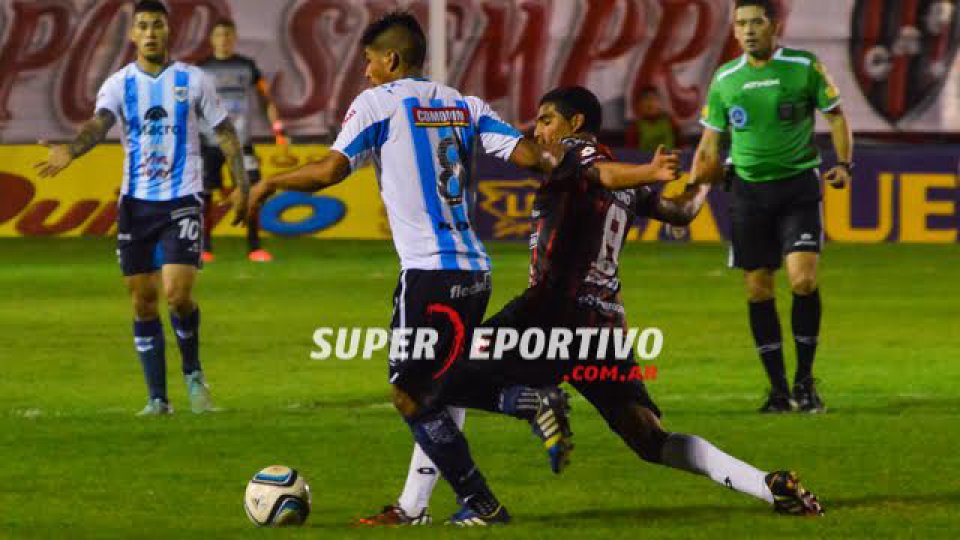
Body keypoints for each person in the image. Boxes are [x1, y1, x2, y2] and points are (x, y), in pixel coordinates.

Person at [378, 86, 825, 524]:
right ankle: (766, 484)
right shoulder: (622, 177)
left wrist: (648, 171)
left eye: (546, 120)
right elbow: (683, 211)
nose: (538, 130)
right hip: (603, 327)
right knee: (649, 439)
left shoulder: (575, 159)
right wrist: (703, 180)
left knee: (431, 379)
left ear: (575, 125)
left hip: (548, 315)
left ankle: (427, 505)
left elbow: (599, 176)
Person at [246, 12, 618, 526]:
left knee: (411, 390)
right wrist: (567, 164)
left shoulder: (378, 103)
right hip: (475, 271)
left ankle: (493, 475)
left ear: (392, 59)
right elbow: (531, 156)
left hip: (428, 272)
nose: (366, 72)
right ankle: (445, 493)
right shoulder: (462, 103)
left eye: (370, 62)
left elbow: (333, 168)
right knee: (438, 380)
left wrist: (269, 185)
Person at [34, 0, 249, 415]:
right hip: (136, 204)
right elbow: (99, 124)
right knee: (142, 301)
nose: (150, 33)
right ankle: (157, 399)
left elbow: (224, 132)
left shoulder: (193, 79)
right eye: (143, 26)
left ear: (170, 33)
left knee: (177, 293)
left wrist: (242, 186)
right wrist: (72, 151)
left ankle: (193, 376)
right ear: (133, 35)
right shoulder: (119, 84)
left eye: (158, 26)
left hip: (183, 199)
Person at [692, 0, 854, 413]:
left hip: (798, 186)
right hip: (747, 193)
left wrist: (844, 165)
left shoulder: (803, 66)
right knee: (757, 288)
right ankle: (778, 389)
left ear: (774, 26)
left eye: (756, 22)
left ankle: (805, 381)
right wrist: (690, 197)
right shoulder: (725, 79)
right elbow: (708, 146)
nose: (748, 30)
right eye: (741, 24)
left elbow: (836, 116)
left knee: (802, 281)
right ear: (733, 30)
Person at [197, 18, 289, 263]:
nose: (224, 40)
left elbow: (265, 98)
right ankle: (204, 247)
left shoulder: (247, 66)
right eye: (219, 36)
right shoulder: (201, 69)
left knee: (251, 192)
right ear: (212, 40)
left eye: (228, 36)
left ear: (234, 38)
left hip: (241, 142)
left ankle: (254, 247)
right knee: (204, 195)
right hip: (210, 141)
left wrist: (277, 128)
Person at [627, 87, 679, 153]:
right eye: (646, 99)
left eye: (653, 99)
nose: (650, 103)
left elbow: (681, 146)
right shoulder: (635, 127)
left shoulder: (671, 122)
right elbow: (630, 153)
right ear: (640, 105)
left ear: (660, 103)